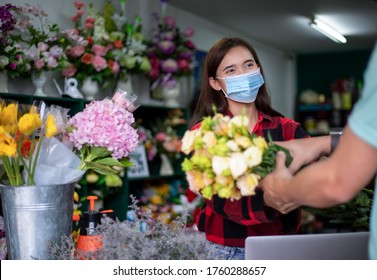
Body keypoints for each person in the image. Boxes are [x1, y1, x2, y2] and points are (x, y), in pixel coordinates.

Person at [188, 37, 309, 260]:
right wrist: (268, 199)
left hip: (281, 248)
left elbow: (317, 175)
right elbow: (219, 199)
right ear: (215, 83)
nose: (243, 74)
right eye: (231, 70)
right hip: (222, 251)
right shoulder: (206, 134)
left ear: (259, 69)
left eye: (248, 65)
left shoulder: (287, 130)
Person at [261, 42, 377, 259]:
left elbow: (336, 182)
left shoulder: (285, 127)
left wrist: (284, 190)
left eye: (249, 65)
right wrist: (324, 142)